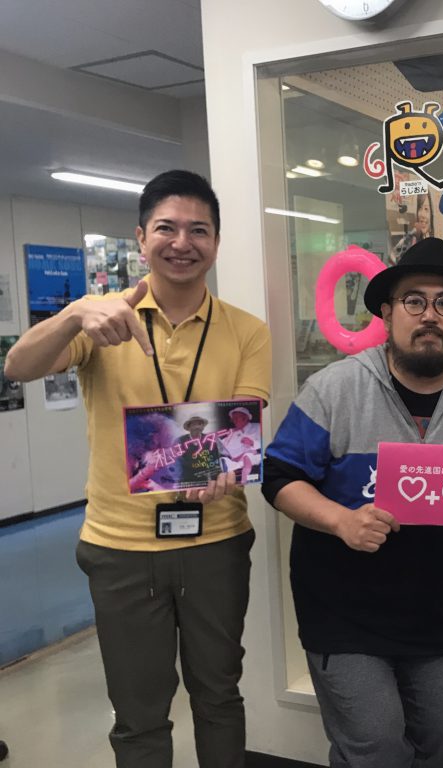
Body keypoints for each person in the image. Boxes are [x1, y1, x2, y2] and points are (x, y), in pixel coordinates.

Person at [2, 170, 271, 768]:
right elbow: (18, 367)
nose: (182, 243)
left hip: (217, 540)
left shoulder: (247, 331)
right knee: (138, 713)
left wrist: (228, 468)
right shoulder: (101, 321)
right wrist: (75, 314)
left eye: (198, 230)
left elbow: (243, 425)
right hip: (119, 547)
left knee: (219, 695)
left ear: (216, 242)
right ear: (142, 238)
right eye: (166, 228)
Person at [261, 236, 443, 768]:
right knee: (375, 747)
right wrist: (341, 521)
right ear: (386, 312)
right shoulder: (334, 389)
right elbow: (279, 476)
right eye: (414, 300)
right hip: (342, 607)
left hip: (432, 607)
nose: (430, 315)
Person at [176, 414, 222, 486]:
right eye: (194, 424)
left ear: (203, 427)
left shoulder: (210, 441)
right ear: (189, 427)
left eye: (199, 424)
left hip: (203, 479)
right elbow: (177, 463)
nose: (197, 427)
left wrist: (215, 482)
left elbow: (215, 462)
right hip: (186, 480)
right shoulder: (180, 441)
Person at [218, 406, 261, 482]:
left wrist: (252, 443)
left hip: (254, 455)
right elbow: (225, 449)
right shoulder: (233, 432)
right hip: (235, 459)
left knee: (247, 456)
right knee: (221, 460)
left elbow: (266, 441)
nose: (234, 421)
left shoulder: (257, 426)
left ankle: (244, 481)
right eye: (233, 419)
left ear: (245, 418)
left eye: (237, 418)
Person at [389, 194, 433, 264]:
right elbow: (392, 256)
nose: (422, 214)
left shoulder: (435, 245)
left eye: (426, 209)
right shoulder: (411, 240)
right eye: (420, 208)